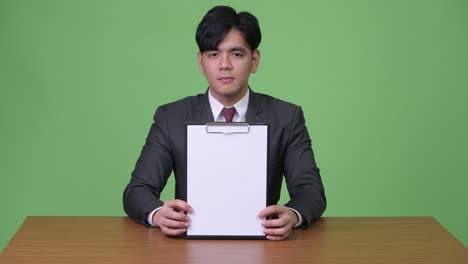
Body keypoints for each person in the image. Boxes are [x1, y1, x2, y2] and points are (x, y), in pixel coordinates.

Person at [123, 5, 326, 241]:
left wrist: (292, 215)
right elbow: (137, 191)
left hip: (266, 245)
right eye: (213, 54)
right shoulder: (172, 117)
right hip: (189, 245)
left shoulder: (286, 117)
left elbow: (311, 191)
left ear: (255, 60)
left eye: (236, 54)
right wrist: (158, 214)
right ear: (201, 62)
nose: (224, 64)